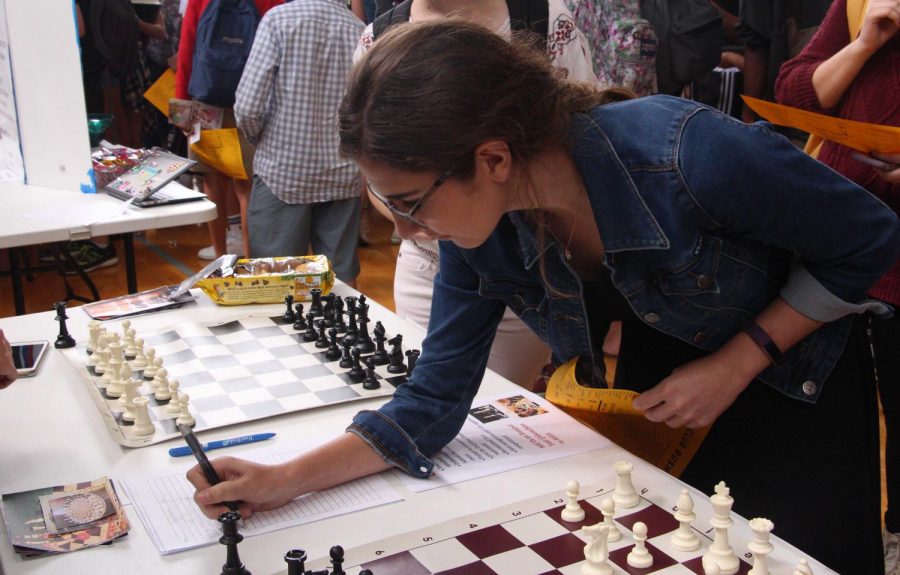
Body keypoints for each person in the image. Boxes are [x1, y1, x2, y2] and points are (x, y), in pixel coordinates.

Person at [187, 21, 900, 573]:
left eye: (410, 202)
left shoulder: (688, 155)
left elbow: (871, 238)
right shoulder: (482, 237)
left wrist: (740, 359)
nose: (404, 230)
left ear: (494, 158)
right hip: (674, 415)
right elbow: (434, 399)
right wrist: (284, 479)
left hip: (798, 386)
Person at [356, 0, 594, 388]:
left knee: (496, 400)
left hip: (525, 259)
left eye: (412, 206)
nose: (404, 226)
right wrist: (420, 215)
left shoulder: (539, 16)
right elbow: (375, 171)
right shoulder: (381, 34)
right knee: (425, 384)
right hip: (429, 263)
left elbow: (575, 132)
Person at [775, 1, 900, 572]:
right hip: (835, 234)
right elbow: (794, 94)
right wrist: (864, 42)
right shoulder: (861, 6)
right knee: (825, 396)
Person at [235, 0, 364, 287]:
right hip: (342, 172)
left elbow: (247, 107)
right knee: (340, 285)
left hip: (282, 172)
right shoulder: (357, 29)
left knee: (275, 282)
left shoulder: (278, 20)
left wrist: (261, 141)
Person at [176, 0, 283, 261]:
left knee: (212, 183)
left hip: (206, 100)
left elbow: (187, 47)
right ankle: (249, 259)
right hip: (251, 99)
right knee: (246, 186)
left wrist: (181, 107)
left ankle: (221, 257)